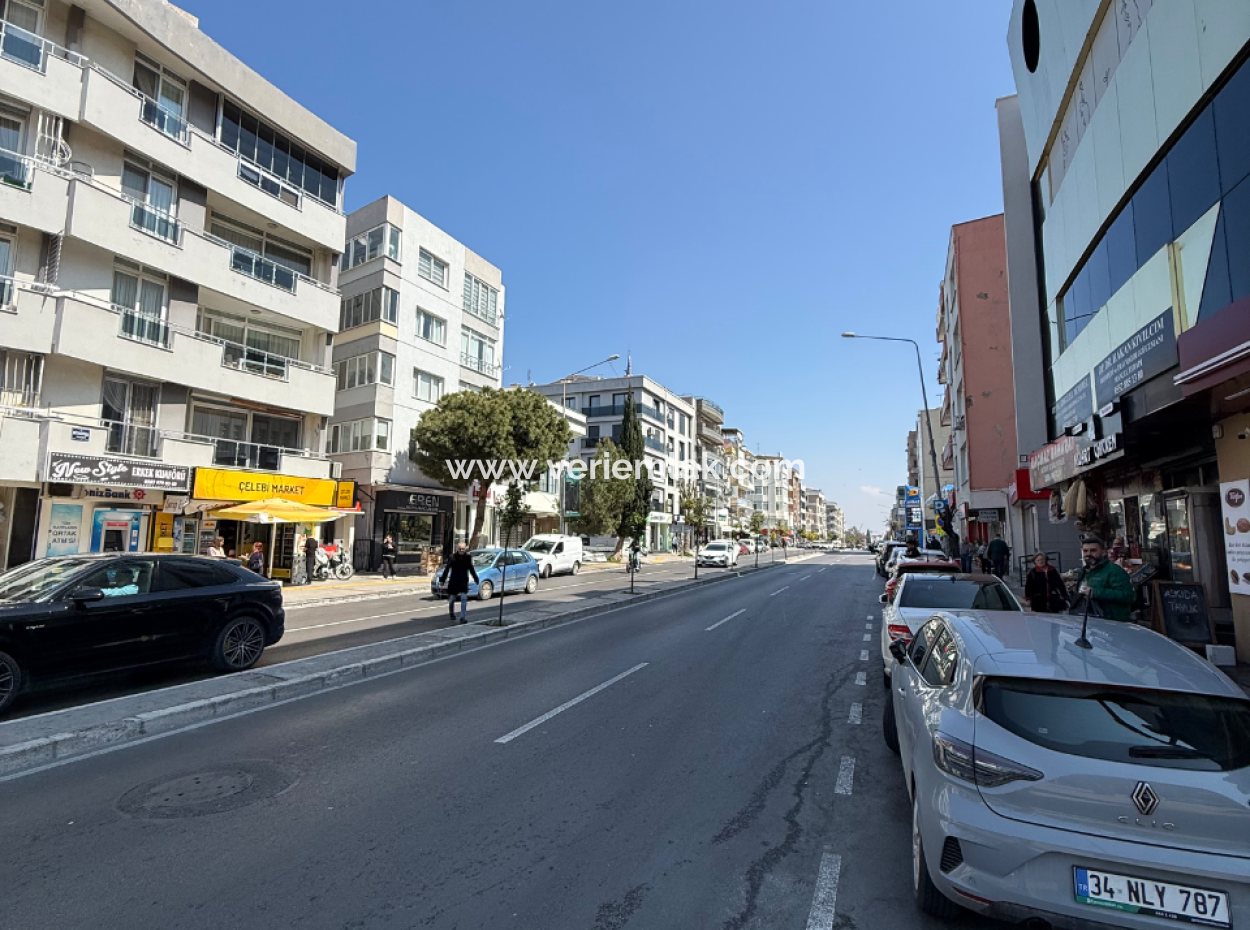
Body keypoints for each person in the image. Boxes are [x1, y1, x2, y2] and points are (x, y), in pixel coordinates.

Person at [1072, 536, 1135, 621]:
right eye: (1085, 551)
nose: (1088, 554)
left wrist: (1096, 592)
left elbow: (1128, 596)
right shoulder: (1084, 572)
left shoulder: (1114, 571)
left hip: (1113, 623)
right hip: (1091, 622)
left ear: (1104, 552)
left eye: (1093, 550)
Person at [439, 542, 479, 624]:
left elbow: (471, 568)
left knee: (464, 598)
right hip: (454, 581)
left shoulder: (468, 557)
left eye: (463, 549)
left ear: (465, 549)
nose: (461, 550)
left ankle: (462, 617)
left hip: (463, 581)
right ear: (457, 548)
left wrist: (475, 578)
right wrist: (442, 580)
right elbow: (447, 569)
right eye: (460, 548)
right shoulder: (452, 557)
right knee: (452, 599)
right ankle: (451, 613)